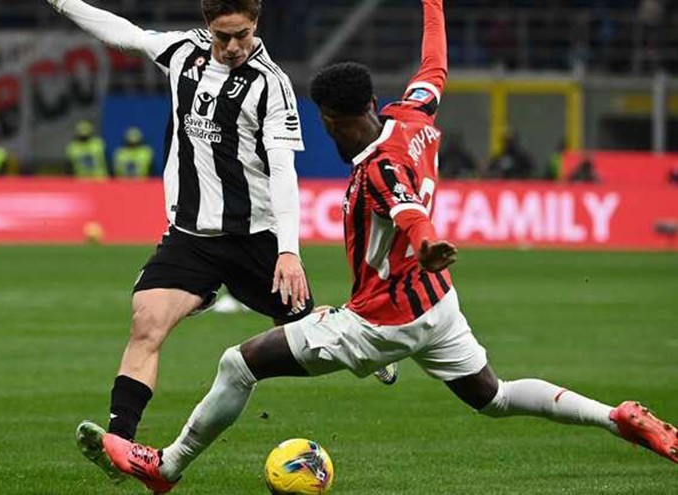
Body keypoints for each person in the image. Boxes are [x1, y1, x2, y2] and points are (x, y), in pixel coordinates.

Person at [82, 1, 678, 493]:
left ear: (332, 120)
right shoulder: (412, 115)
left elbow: (406, 208)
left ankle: (166, 467)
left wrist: (426, 241)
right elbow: (435, 65)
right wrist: (433, 5)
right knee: (491, 395)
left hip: (382, 319)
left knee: (238, 364)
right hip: (437, 304)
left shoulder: (376, 168)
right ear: (371, 103)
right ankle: (615, 417)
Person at [45, 0, 324, 482]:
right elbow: (125, 34)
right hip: (191, 237)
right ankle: (121, 445)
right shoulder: (182, 52)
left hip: (255, 237)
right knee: (146, 323)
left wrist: (288, 250)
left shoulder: (270, 84)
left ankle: (362, 331)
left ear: (256, 24)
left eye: (241, 35)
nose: (232, 46)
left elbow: (283, 171)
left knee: (313, 341)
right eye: (222, 36)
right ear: (207, 26)